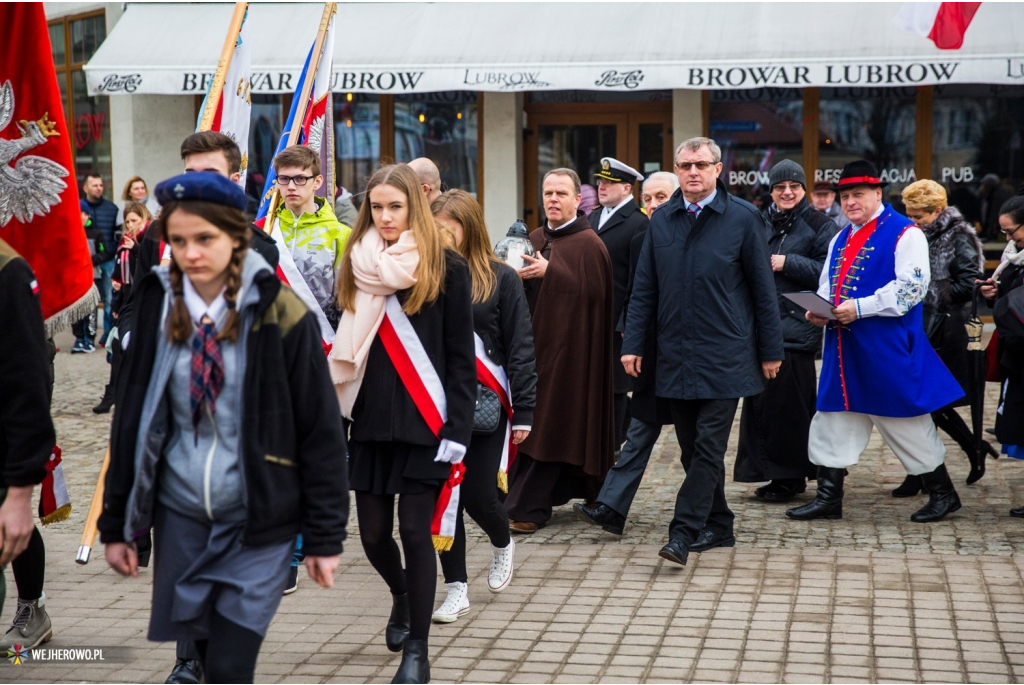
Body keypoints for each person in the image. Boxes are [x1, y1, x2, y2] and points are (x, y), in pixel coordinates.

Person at [99, 172, 348, 684]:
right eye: (180, 240)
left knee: (233, 667)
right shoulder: (157, 308)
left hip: (257, 520)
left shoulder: (283, 315)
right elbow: (133, 421)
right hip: (183, 519)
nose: (191, 253)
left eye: (205, 239)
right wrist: (119, 525)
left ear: (237, 235)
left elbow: (319, 430)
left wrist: (324, 537)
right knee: (206, 660)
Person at [114, 131, 282, 685]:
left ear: (235, 178)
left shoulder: (258, 245)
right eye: (188, 173)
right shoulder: (154, 239)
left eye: (209, 174)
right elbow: (139, 304)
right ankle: (188, 655)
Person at [331, 164, 475, 684]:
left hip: (426, 425)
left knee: (415, 534)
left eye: (396, 206)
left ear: (416, 204)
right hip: (368, 422)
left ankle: (419, 647)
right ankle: (400, 594)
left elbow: (462, 359)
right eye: (377, 207)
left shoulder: (448, 268)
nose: (386, 217)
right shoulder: (356, 261)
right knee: (372, 537)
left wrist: (457, 430)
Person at [622, 137, 784, 566]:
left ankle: (683, 532)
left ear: (717, 170)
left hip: (727, 353)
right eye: (685, 165)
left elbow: (764, 292)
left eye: (701, 165)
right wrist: (633, 343)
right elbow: (644, 290)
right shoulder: (661, 220)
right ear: (676, 170)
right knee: (692, 449)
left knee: (710, 447)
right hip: (674, 354)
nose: (693, 172)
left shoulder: (743, 218)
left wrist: (771, 350)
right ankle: (720, 524)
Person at [786, 160, 966, 524]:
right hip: (843, 348)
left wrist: (861, 308)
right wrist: (821, 310)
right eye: (845, 196)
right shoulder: (840, 236)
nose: (850, 202)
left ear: (878, 194)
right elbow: (827, 285)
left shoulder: (905, 233)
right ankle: (828, 497)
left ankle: (944, 493)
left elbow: (911, 289)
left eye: (858, 195)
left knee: (904, 421)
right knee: (834, 418)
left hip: (888, 347)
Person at [428, 190, 537, 623]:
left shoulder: (500, 278)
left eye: (445, 227)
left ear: (467, 226)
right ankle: (456, 590)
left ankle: (502, 541)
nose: (437, 235)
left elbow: (521, 346)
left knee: (478, 497)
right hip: (436, 406)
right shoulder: (422, 272)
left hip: (486, 403)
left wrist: (525, 410)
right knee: (444, 496)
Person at [505, 168, 616, 534]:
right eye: (547, 192)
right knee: (534, 424)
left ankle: (530, 506)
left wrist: (551, 272)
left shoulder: (590, 245)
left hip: (573, 357)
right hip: (532, 349)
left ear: (576, 201)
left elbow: (598, 298)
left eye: (560, 193)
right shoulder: (533, 238)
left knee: (551, 425)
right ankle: (573, 490)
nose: (552, 199)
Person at [574, 171, 678, 536]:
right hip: (652, 355)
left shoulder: (697, 236)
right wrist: (632, 342)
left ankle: (713, 514)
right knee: (639, 433)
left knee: (698, 446)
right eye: (649, 199)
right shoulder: (641, 238)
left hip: (690, 359)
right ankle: (612, 507)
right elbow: (635, 295)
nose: (653, 206)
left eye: (662, 198)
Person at [734, 160, 839, 502]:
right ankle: (769, 472)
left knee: (790, 408)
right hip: (761, 327)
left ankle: (791, 477)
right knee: (761, 405)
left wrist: (786, 262)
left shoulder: (819, 224)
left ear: (803, 189)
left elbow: (830, 272)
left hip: (798, 326)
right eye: (780, 187)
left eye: (794, 186)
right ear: (772, 191)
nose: (787, 192)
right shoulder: (760, 220)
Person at [892, 180, 991, 496]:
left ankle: (968, 451)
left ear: (937, 211)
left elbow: (969, 284)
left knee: (930, 403)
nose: (913, 222)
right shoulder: (919, 234)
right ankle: (925, 469)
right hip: (923, 326)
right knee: (919, 404)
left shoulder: (958, 236)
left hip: (947, 328)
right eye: (909, 215)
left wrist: (924, 291)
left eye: (918, 216)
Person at [0, 237, 56, 647]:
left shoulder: (9, 270)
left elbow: (28, 380)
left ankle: (31, 604)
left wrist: (21, 486)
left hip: (5, 438)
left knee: (10, 516)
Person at [587, 157, 648, 450]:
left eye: (608, 183)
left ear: (627, 188)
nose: (601, 186)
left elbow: (639, 280)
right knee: (592, 389)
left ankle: (611, 450)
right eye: (600, 181)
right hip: (589, 320)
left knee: (614, 391)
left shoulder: (638, 222)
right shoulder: (592, 218)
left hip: (616, 322)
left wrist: (627, 323)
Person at [270, 144, 351, 330]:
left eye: (300, 179)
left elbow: (346, 301)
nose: (291, 186)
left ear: (317, 181)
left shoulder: (340, 235)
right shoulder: (264, 230)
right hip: (271, 336)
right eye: (284, 179)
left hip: (321, 338)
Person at [982, 197, 1024, 513]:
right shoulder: (1014, 258)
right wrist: (994, 293)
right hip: (1017, 351)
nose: (1008, 240)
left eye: (1012, 232)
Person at [93, 201, 153, 414]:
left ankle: (124, 394)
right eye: (127, 221)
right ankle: (114, 393)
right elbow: (121, 271)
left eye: (134, 220)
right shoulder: (125, 241)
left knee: (127, 348)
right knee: (117, 347)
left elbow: (149, 267)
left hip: (143, 300)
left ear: (143, 218)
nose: (130, 225)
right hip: (127, 299)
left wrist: (135, 248)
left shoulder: (148, 238)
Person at [81, 173, 119, 345]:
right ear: (85, 188)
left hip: (107, 261)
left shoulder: (112, 209)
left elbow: (116, 235)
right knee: (89, 301)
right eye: (94, 185)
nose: (99, 188)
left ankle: (108, 334)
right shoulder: (78, 209)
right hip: (84, 264)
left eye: (101, 185)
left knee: (109, 299)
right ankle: (86, 336)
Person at [71, 202, 111, 354]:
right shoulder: (71, 232)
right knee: (75, 309)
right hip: (74, 277)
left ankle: (89, 338)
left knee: (90, 308)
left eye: (84, 214)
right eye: (79, 213)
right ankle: (79, 338)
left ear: (88, 216)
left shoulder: (96, 233)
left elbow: (105, 252)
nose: (81, 217)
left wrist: (91, 260)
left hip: (92, 276)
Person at [980, 174, 1015, 241]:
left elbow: (994, 213)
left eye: (986, 185)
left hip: (1000, 227)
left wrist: (991, 230)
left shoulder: (996, 196)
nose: (984, 187)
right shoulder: (995, 194)